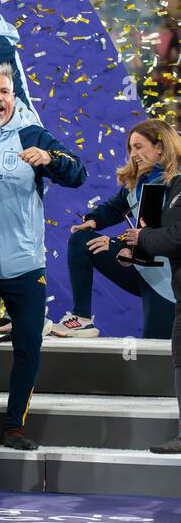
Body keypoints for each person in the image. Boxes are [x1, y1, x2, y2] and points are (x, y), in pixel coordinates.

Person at [0, 64, 86, 450]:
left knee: (28, 346)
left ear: (13, 97)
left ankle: (14, 426)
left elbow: (77, 172)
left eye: (5, 92)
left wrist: (51, 160)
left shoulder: (32, 134)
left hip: (26, 266)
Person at [61, 120, 180, 339]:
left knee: (155, 354)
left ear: (160, 147)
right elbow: (116, 206)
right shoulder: (139, 181)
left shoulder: (174, 184)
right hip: (140, 268)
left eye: (138, 146)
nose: (133, 154)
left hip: (165, 281)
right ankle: (82, 319)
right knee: (81, 240)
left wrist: (117, 244)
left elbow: (160, 233)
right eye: (130, 148)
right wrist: (94, 221)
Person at [119, 152, 181, 454]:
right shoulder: (173, 186)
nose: (134, 155)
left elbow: (178, 237)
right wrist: (147, 235)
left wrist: (143, 237)